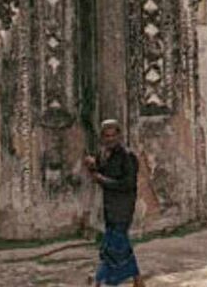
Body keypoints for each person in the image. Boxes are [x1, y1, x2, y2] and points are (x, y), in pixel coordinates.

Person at [84, 119, 144, 287]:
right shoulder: (105, 155)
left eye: (112, 135)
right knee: (118, 246)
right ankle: (137, 280)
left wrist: (101, 179)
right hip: (109, 208)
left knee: (111, 247)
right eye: (106, 136)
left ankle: (100, 280)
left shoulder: (127, 156)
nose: (109, 139)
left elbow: (128, 184)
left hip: (123, 208)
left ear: (119, 135)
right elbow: (101, 173)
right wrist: (92, 166)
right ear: (102, 137)